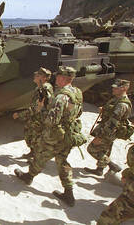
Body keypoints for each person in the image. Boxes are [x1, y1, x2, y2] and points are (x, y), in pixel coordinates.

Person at [14, 66, 84, 207]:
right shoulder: (77, 92)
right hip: (69, 134)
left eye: (58, 77)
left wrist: (41, 110)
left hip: (55, 136)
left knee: (40, 155)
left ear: (64, 78)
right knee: (62, 161)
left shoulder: (61, 97)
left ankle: (29, 176)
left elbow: (51, 120)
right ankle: (69, 192)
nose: (56, 79)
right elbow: (80, 112)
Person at [85, 79, 132, 176]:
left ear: (124, 88)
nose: (113, 89)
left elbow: (113, 123)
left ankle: (112, 165)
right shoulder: (116, 99)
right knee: (105, 150)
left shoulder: (122, 104)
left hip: (109, 131)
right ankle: (99, 169)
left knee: (92, 148)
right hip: (109, 129)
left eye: (116, 87)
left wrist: (101, 136)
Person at [13, 67, 53, 160]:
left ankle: (36, 159)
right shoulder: (40, 87)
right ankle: (33, 153)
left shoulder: (44, 89)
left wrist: (20, 115)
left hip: (40, 118)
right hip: (36, 117)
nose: (35, 76)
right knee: (29, 135)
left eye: (38, 75)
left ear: (44, 78)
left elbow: (38, 108)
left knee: (36, 138)